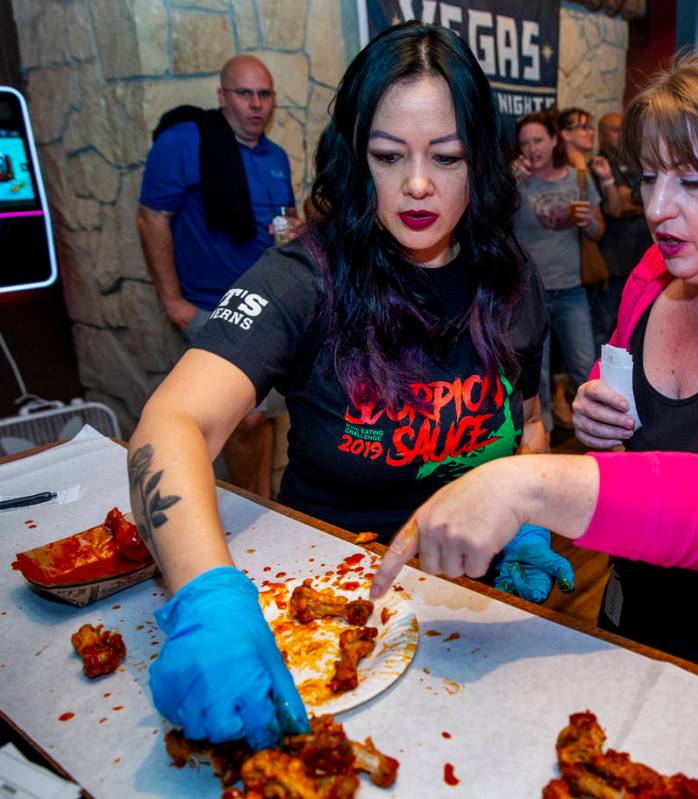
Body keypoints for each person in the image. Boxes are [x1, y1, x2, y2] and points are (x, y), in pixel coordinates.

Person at [372, 47, 698, 712]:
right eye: (650, 178)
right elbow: (620, 383)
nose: (657, 208)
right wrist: (597, 410)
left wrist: (526, 483)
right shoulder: (657, 272)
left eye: (692, 183)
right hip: (633, 610)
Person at [128, 22, 572, 749]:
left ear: (483, 161)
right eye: (389, 156)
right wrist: (207, 594)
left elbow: (524, 416)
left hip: (468, 601)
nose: (418, 184)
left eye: (447, 157)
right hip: (329, 606)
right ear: (355, 157)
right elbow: (172, 422)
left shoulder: (511, 277)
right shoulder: (305, 277)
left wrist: (526, 509)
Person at [136, 54, 295, 498]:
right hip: (213, 305)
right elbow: (152, 218)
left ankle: (262, 505)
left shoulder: (276, 156)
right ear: (223, 97)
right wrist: (173, 301)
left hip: (270, 303)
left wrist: (295, 229)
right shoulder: (185, 141)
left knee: (262, 418)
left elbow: (286, 219)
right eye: (245, 94)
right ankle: (252, 507)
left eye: (265, 95)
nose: (257, 105)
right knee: (243, 417)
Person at [513, 111, 604, 436]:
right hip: (527, 296)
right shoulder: (517, 180)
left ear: (554, 140)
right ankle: (542, 440)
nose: (532, 148)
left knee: (585, 367)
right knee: (536, 378)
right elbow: (492, 226)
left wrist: (587, 222)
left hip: (571, 291)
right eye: (524, 143)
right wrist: (510, 185)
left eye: (538, 140)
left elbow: (597, 230)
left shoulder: (576, 178)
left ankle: (597, 439)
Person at [588, 112, 651, 349]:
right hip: (612, 259)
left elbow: (640, 199)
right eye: (615, 130)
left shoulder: (635, 162)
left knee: (636, 324)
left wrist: (632, 199)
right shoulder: (598, 166)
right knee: (605, 325)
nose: (622, 135)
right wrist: (634, 200)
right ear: (602, 135)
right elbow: (616, 208)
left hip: (640, 257)